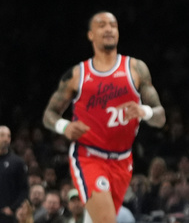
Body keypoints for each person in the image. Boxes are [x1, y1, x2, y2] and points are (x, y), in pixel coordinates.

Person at [41, 12, 166, 223]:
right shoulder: (77, 74)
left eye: (113, 25)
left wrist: (144, 112)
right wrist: (64, 127)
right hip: (89, 156)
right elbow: (49, 115)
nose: (108, 29)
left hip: (123, 160)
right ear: (91, 35)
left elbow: (160, 117)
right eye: (101, 25)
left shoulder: (136, 68)